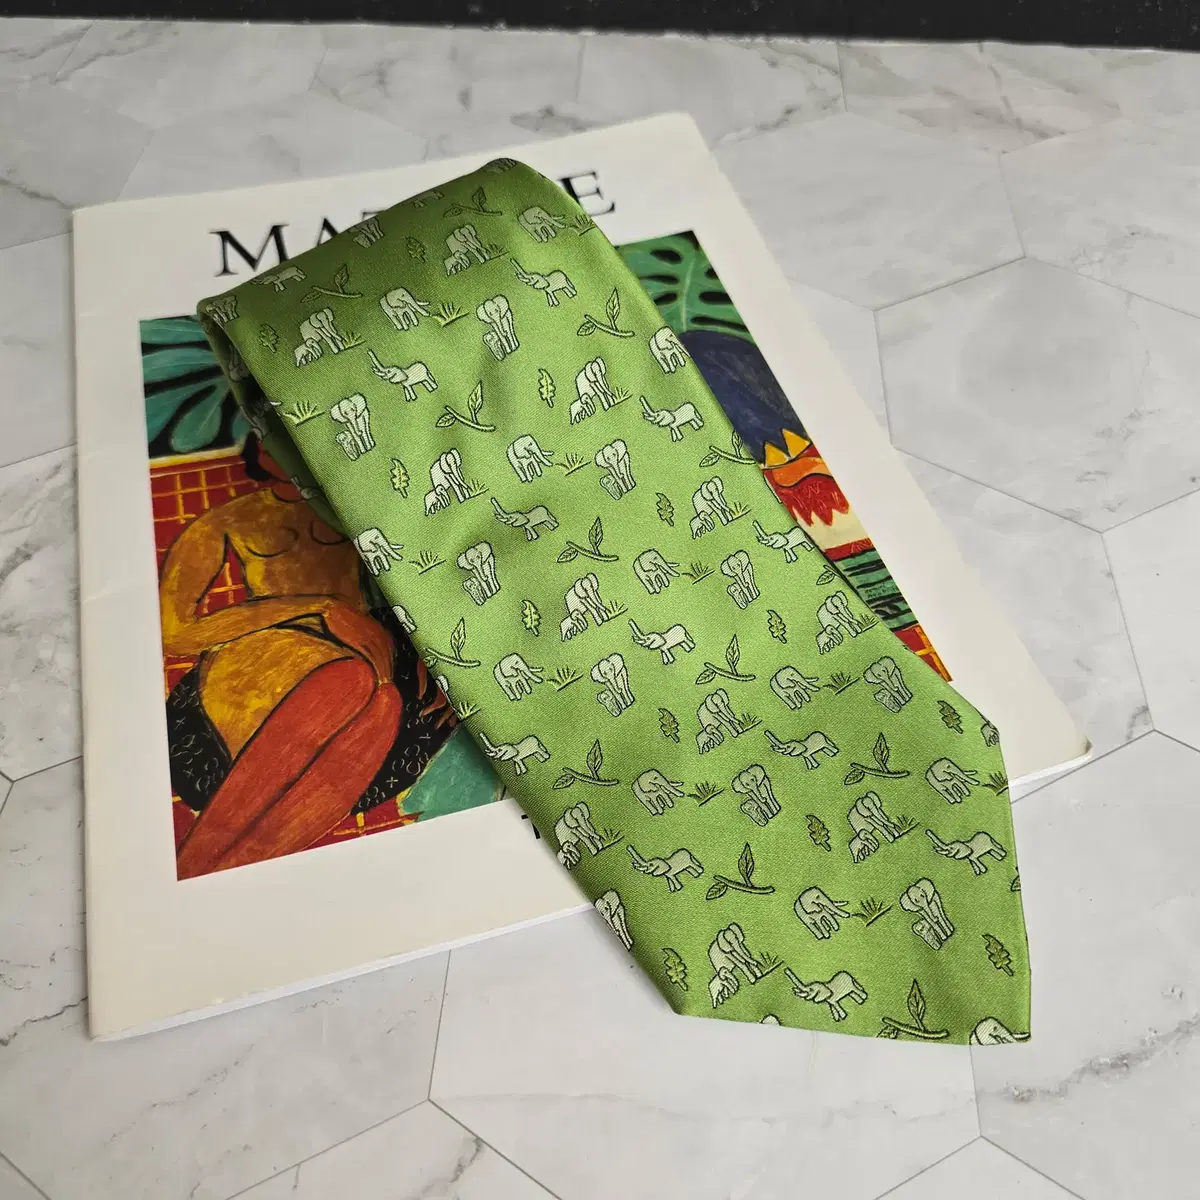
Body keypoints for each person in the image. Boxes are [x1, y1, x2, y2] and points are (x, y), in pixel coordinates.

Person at [160, 436, 446, 878]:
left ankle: (210, 871)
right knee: (352, 681)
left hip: (364, 658)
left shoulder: (362, 506)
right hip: (264, 655)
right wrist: (316, 608)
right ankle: (204, 863)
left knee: (386, 701)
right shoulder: (229, 520)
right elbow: (176, 631)